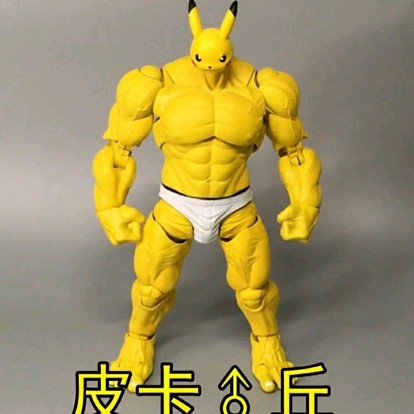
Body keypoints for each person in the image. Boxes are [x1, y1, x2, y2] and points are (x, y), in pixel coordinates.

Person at [92, 0, 322, 393]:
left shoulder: (264, 86)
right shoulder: (157, 83)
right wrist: (110, 206)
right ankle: (137, 341)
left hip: (236, 206)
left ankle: (267, 343)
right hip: (177, 203)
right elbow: (117, 151)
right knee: (150, 288)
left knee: (255, 290)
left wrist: (304, 204)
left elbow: (294, 153)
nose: (212, 69)